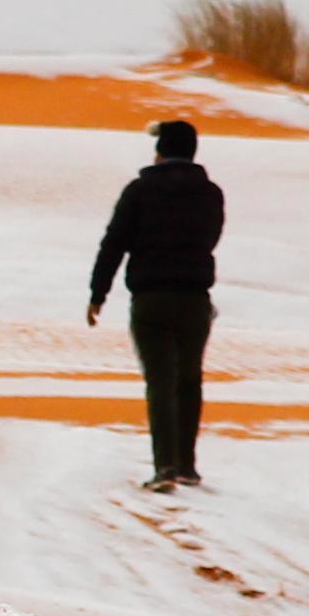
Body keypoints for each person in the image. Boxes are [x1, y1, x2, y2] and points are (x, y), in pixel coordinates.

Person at [88, 116, 227, 490]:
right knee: (189, 380)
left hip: (151, 298)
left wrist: (98, 293)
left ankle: (165, 466)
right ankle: (187, 465)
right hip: (195, 299)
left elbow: (113, 242)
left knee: (160, 382)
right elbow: (211, 238)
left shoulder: (139, 190)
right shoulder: (211, 193)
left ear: (161, 150)